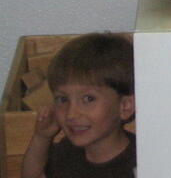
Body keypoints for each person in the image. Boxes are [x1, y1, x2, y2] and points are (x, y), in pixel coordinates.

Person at [21, 33, 135, 178]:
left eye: (88, 99)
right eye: (63, 99)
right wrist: (42, 137)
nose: (71, 114)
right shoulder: (67, 151)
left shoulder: (141, 161)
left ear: (125, 106)